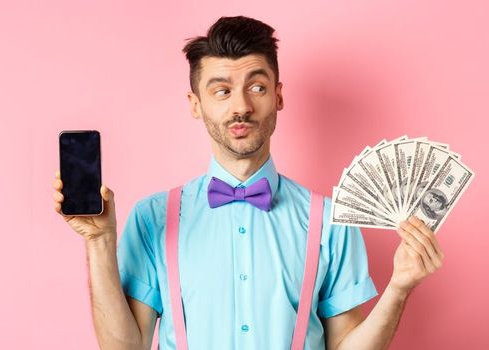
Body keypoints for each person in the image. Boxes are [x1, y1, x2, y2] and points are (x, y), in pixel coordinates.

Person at [52, 16, 445, 350]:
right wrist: (99, 242)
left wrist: (399, 287)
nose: (240, 106)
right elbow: (126, 346)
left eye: (256, 87)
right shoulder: (153, 216)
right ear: (195, 104)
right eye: (221, 90)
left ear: (277, 96)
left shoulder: (331, 220)